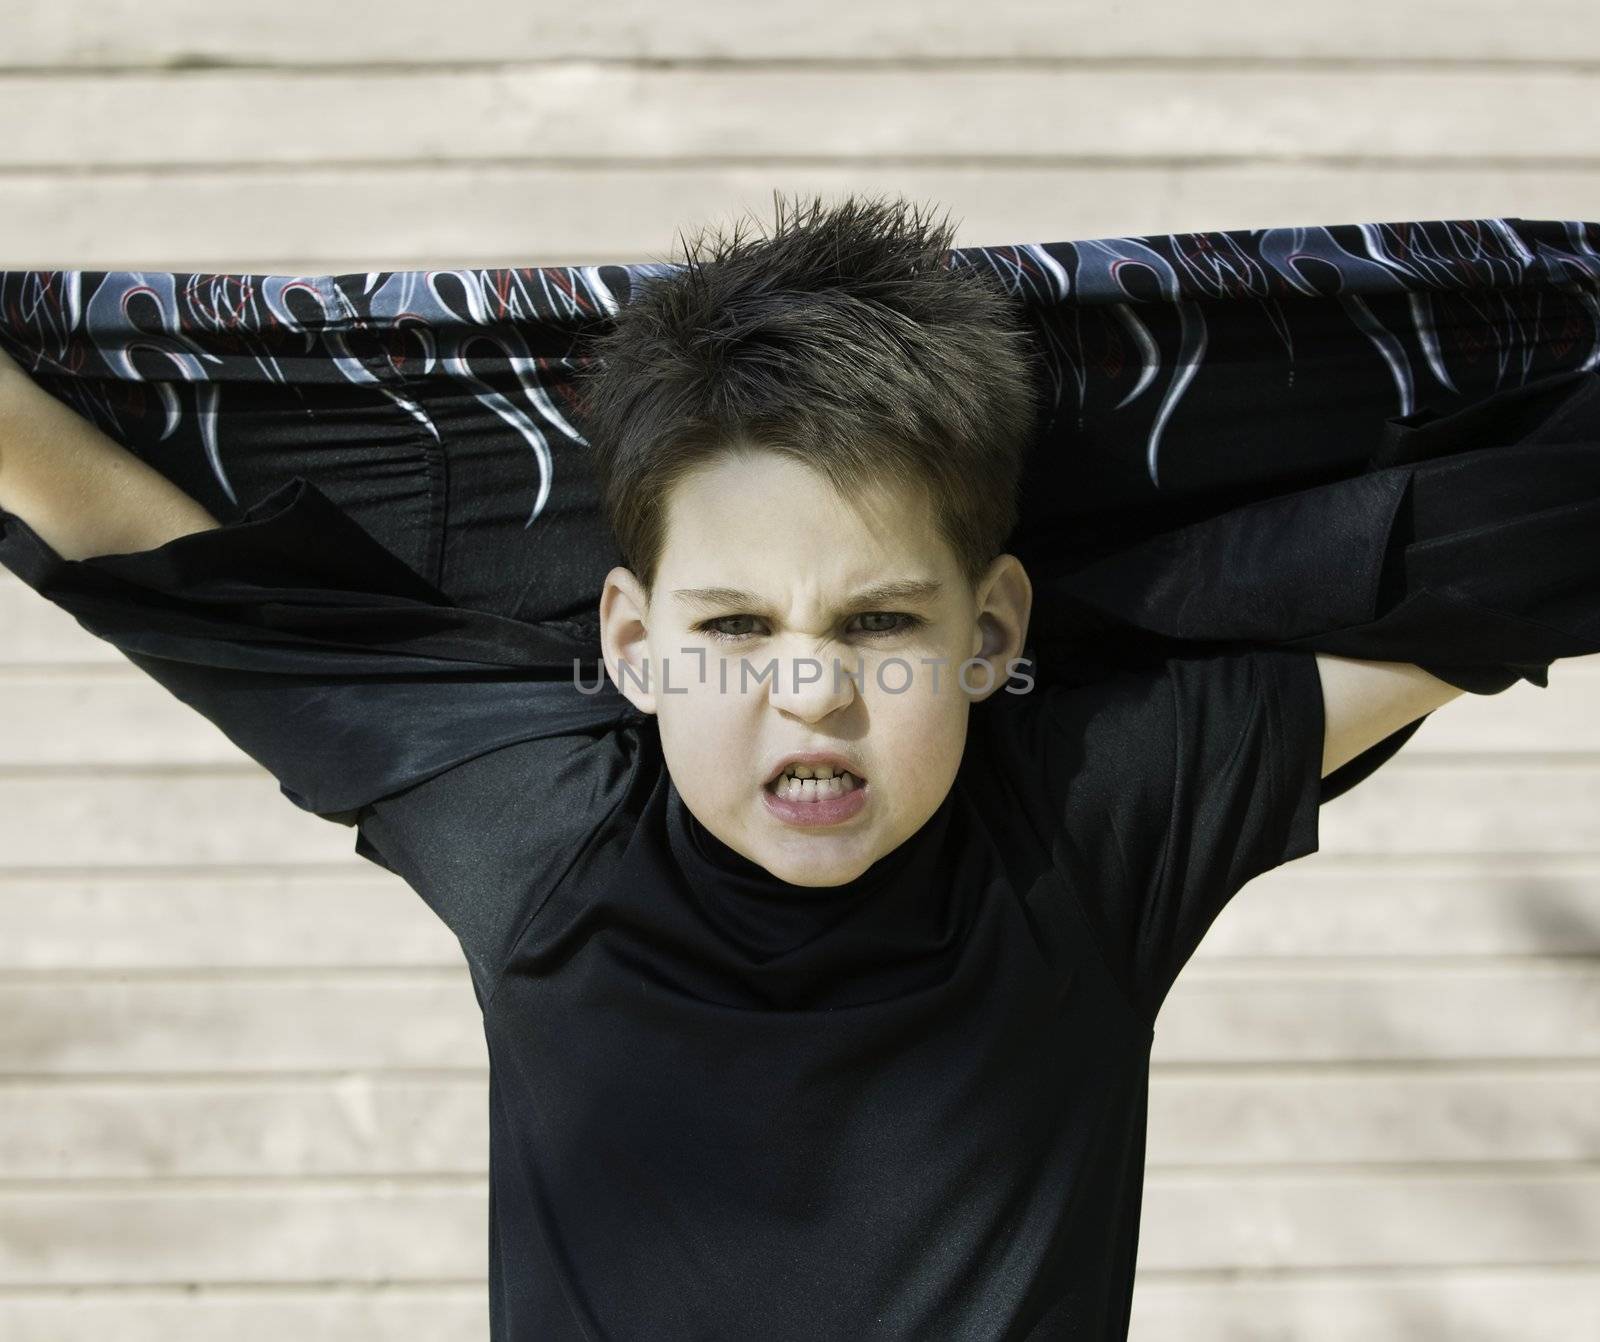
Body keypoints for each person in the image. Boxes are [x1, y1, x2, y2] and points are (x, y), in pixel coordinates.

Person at [0, 193, 1593, 1340]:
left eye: (883, 621)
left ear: (995, 627)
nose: (811, 691)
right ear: (630, 639)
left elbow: (1482, 575)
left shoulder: (1093, 821)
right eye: (737, 625)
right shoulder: (538, 828)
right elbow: (166, 563)